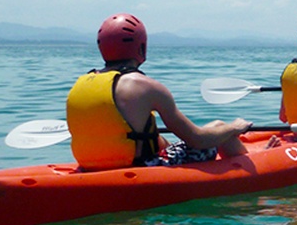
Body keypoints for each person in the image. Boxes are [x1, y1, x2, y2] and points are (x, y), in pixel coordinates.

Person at [66, 13, 251, 171]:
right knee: (220, 127)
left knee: (159, 138)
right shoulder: (146, 86)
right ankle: (251, 164)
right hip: (141, 167)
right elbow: (197, 140)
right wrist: (235, 127)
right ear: (141, 48)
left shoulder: (80, 84)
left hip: (90, 167)